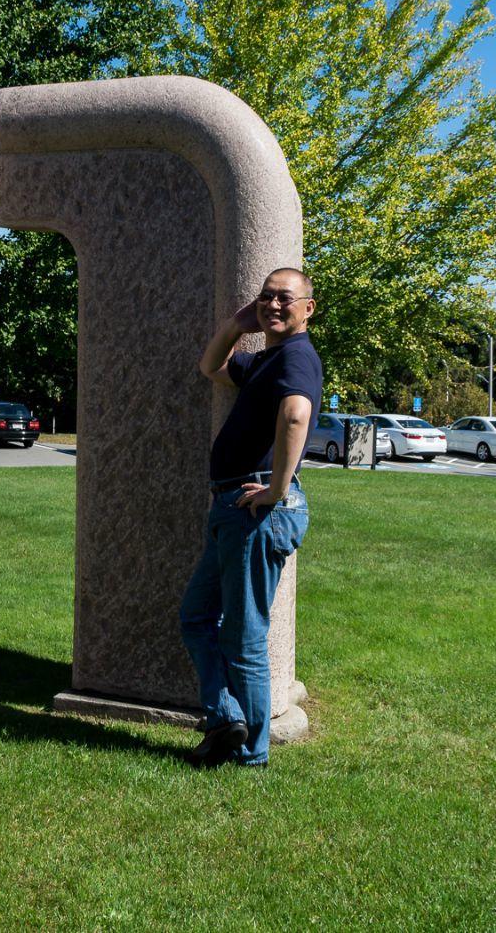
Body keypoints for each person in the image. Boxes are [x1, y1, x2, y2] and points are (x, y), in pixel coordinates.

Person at [179, 268, 319, 767]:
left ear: (308, 307)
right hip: (232, 508)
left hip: (253, 512)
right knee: (196, 618)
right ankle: (226, 720)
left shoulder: (297, 359)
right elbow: (210, 366)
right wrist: (238, 325)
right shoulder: (268, 359)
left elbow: (296, 415)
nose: (273, 305)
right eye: (266, 297)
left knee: (243, 636)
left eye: (285, 298)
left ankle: (253, 754)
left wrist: (277, 490)